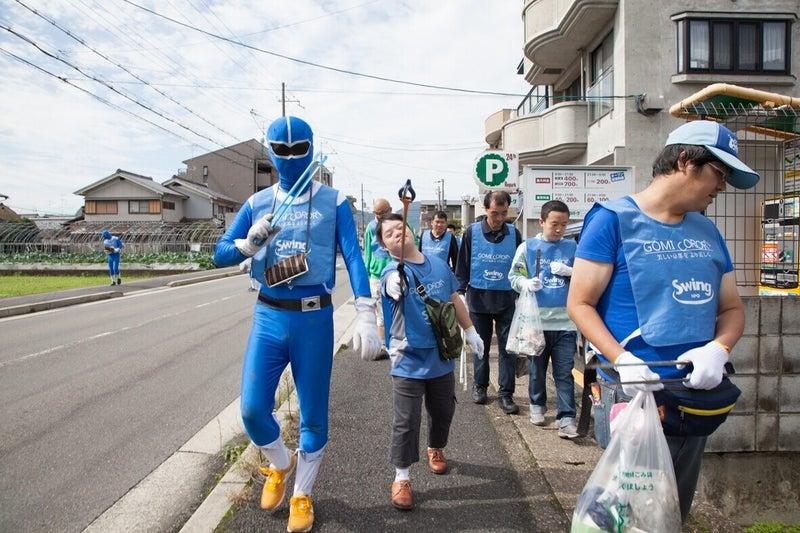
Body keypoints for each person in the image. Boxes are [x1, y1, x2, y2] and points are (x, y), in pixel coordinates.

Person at [567, 120, 754, 523]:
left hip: (694, 395)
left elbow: (732, 310)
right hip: (633, 396)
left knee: (671, 511)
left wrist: (718, 349)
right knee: (629, 514)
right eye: (719, 174)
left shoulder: (708, 231)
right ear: (686, 161)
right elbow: (580, 303)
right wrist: (622, 359)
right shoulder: (612, 221)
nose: (721, 187)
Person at [213, 116, 382, 533]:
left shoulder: (334, 201)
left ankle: (303, 493)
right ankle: (280, 464)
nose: (290, 158)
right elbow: (219, 254)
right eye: (281, 150)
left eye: (298, 149)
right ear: (270, 151)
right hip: (269, 313)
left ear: (311, 147)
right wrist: (246, 244)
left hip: (313, 316)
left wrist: (366, 310)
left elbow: (354, 256)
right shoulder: (257, 203)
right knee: (252, 409)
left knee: (313, 414)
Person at [377, 213, 483, 511]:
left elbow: (454, 298)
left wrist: (470, 330)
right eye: (389, 234)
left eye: (400, 228)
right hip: (407, 359)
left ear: (411, 230)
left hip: (441, 355)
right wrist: (391, 283)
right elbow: (388, 285)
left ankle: (435, 449)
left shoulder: (438, 264)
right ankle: (401, 476)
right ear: (385, 246)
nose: (397, 234)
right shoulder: (392, 271)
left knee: (443, 410)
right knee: (407, 420)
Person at [508, 200, 579, 439]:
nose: (559, 229)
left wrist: (571, 272)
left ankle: (567, 417)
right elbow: (514, 276)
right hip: (535, 323)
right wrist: (526, 283)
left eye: (564, 224)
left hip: (566, 323)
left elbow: (588, 277)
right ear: (541, 222)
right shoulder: (528, 247)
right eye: (554, 224)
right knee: (537, 370)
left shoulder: (572, 248)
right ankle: (537, 405)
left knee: (564, 372)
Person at [455, 191, 523, 414]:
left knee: (508, 350)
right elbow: (462, 266)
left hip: (506, 300)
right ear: (485, 210)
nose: (499, 219)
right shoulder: (472, 233)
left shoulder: (515, 234)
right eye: (495, 213)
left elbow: (521, 266)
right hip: (478, 300)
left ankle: (506, 394)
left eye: (504, 213)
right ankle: (480, 386)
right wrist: (460, 293)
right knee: (480, 347)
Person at [362, 198, 393, 359]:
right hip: (376, 275)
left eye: (383, 212)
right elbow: (367, 252)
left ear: (390, 209)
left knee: (398, 309)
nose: (380, 216)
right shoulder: (371, 227)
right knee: (379, 311)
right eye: (377, 213)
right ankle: (382, 345)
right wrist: (366, 275)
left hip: (394, 273)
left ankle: (396, 342)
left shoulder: (397, 224)